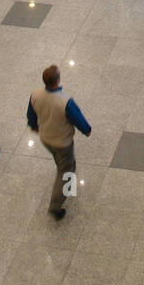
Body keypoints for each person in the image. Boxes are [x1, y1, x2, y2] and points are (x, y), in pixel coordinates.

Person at [26, 64, 92, 220]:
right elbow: (79, 120)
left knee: (60, 161)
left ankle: (65, 184)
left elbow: (31, 115)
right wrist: (87, 130)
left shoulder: (35, 95)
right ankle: (57, 204)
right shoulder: (65, 101)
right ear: (58, 80)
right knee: (67, 169)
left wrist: (35, 126)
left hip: (45, 138)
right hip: (62, 142)